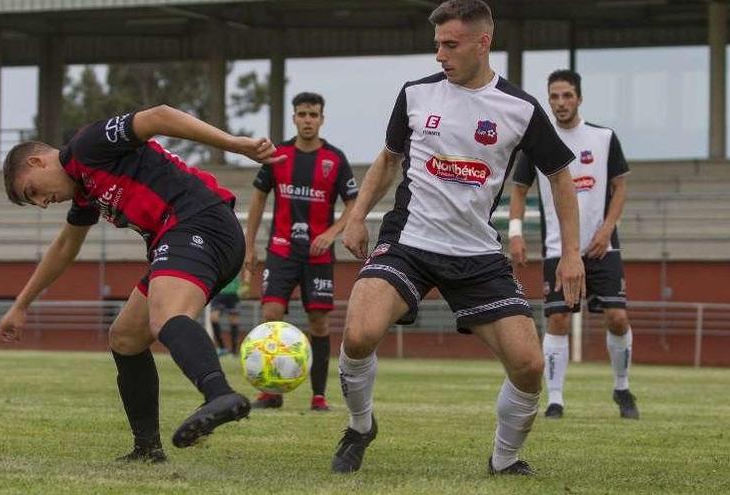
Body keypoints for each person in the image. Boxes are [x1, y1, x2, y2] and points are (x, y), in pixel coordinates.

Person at [330, 0, 585, 476]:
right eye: (437, 45)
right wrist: (357, 215)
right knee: (360, 332)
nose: (440, 55)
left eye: (450, 45)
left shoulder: (521, 109)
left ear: (483, 43)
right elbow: (387, 161)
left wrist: (571, 252)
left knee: (529, 366)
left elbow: (560, 176)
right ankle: (360, 426)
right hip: (409, 242)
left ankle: (504, 459)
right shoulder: (415, 95)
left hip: (476, 254)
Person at [0, 104, 281, 463]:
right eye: (33, 202)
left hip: (197, 221)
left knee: (164, 317)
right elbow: (66, 246)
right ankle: (147, 448)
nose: (41, 203)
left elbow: (159, 116)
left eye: (33, 191)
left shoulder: (87, 146)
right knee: (126, 337)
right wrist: (21, 305)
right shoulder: (84, 189)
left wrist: (234, 144)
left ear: (37, 163)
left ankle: (219, 394)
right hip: (181, 236)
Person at [509, 69, 638, 420]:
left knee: (617, 316)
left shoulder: (604, 138)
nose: (561, 103)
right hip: (557, 248)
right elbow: (518, 190)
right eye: (554, 96)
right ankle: (555, 399)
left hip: (602, 247)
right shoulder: (538, 143)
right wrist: (516, 232)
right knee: (559, 320)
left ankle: (622, 388)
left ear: (579, 98)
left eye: (567, 96)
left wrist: (607, 228)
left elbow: (620, 187)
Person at [244, 92, 359, 411]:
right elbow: (257, 199)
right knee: (270, 314)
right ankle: (272, 392)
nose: (308, 120)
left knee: (319, 322)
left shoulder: (335, 159)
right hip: (281, 249)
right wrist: (249, 245)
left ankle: (318, 395)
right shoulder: (277, 154)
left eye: (314, 115)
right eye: (302, 114)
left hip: (318, 255)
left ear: (322, 119)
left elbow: (354, 204)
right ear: (294, 117)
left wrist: (332, 233)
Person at [209, 276, 245, 356]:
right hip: (219, 293)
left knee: (234, 321)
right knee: (213, 318)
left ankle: (234, 351)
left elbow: (246, 269)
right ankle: (222, 348)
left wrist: (246, 285)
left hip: (233, 294)